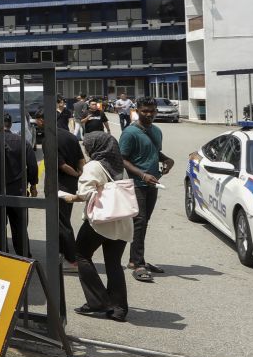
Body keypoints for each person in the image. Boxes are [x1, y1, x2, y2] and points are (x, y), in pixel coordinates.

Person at [62, 132, 132, 322]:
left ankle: (98, 301)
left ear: (95, 147)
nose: (85, 149)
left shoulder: (94, 166)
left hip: (101, 220)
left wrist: (69, 197)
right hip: (121, 219)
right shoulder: (119, 164)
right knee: (113, 263)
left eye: (87, 146)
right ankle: (119, 309)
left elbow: (85, 194)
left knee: (81, 255)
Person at [120, 98, 173, 283]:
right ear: (137, 111)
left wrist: (167, 160)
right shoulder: (130, 133)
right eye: (144, 111)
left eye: (152, 111)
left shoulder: (156, 131)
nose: (149, 114)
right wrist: (142, 175)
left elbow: (154, 152)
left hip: (153, 184)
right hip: (136, 184)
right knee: (139, 222)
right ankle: (137, 262)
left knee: (143, 222)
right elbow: (122, 159)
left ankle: (135, 259)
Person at [0, 114, 37, 257]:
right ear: (10, 124)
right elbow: (32, 165)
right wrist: (33, 185)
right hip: (18, 192)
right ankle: (24, 258)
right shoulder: (22, 141)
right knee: (20, 228)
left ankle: (2, 257)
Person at [36, 111, 83, 272]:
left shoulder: (49, 139)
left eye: (38, 120)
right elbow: (81, 159)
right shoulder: (70, 136)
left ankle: (72, 260)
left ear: (43, 120)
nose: (36, 122)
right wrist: (80, 174)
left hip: (58, 186)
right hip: (70, 185)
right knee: (63, 220)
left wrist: (75, 173)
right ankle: (62, 254)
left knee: (61, 223)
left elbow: (60, 165)